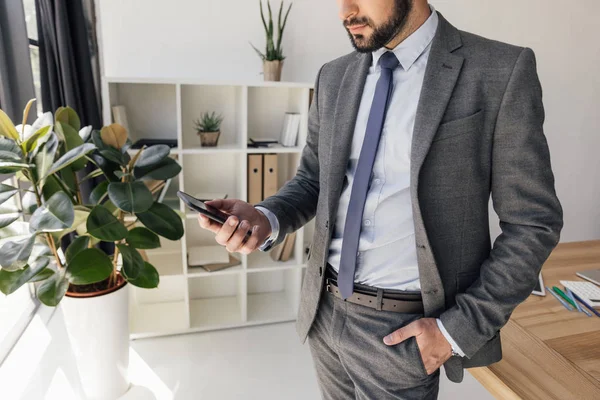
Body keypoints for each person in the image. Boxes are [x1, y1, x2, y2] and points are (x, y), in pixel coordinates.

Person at [198, 0, 564, 398]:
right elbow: (314, 180)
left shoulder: (499, 71)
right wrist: (265, 216)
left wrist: (454, 331)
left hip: (404, 334)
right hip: (324, 312)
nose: (345, 12)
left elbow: (532, 223)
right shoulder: (334, 76)